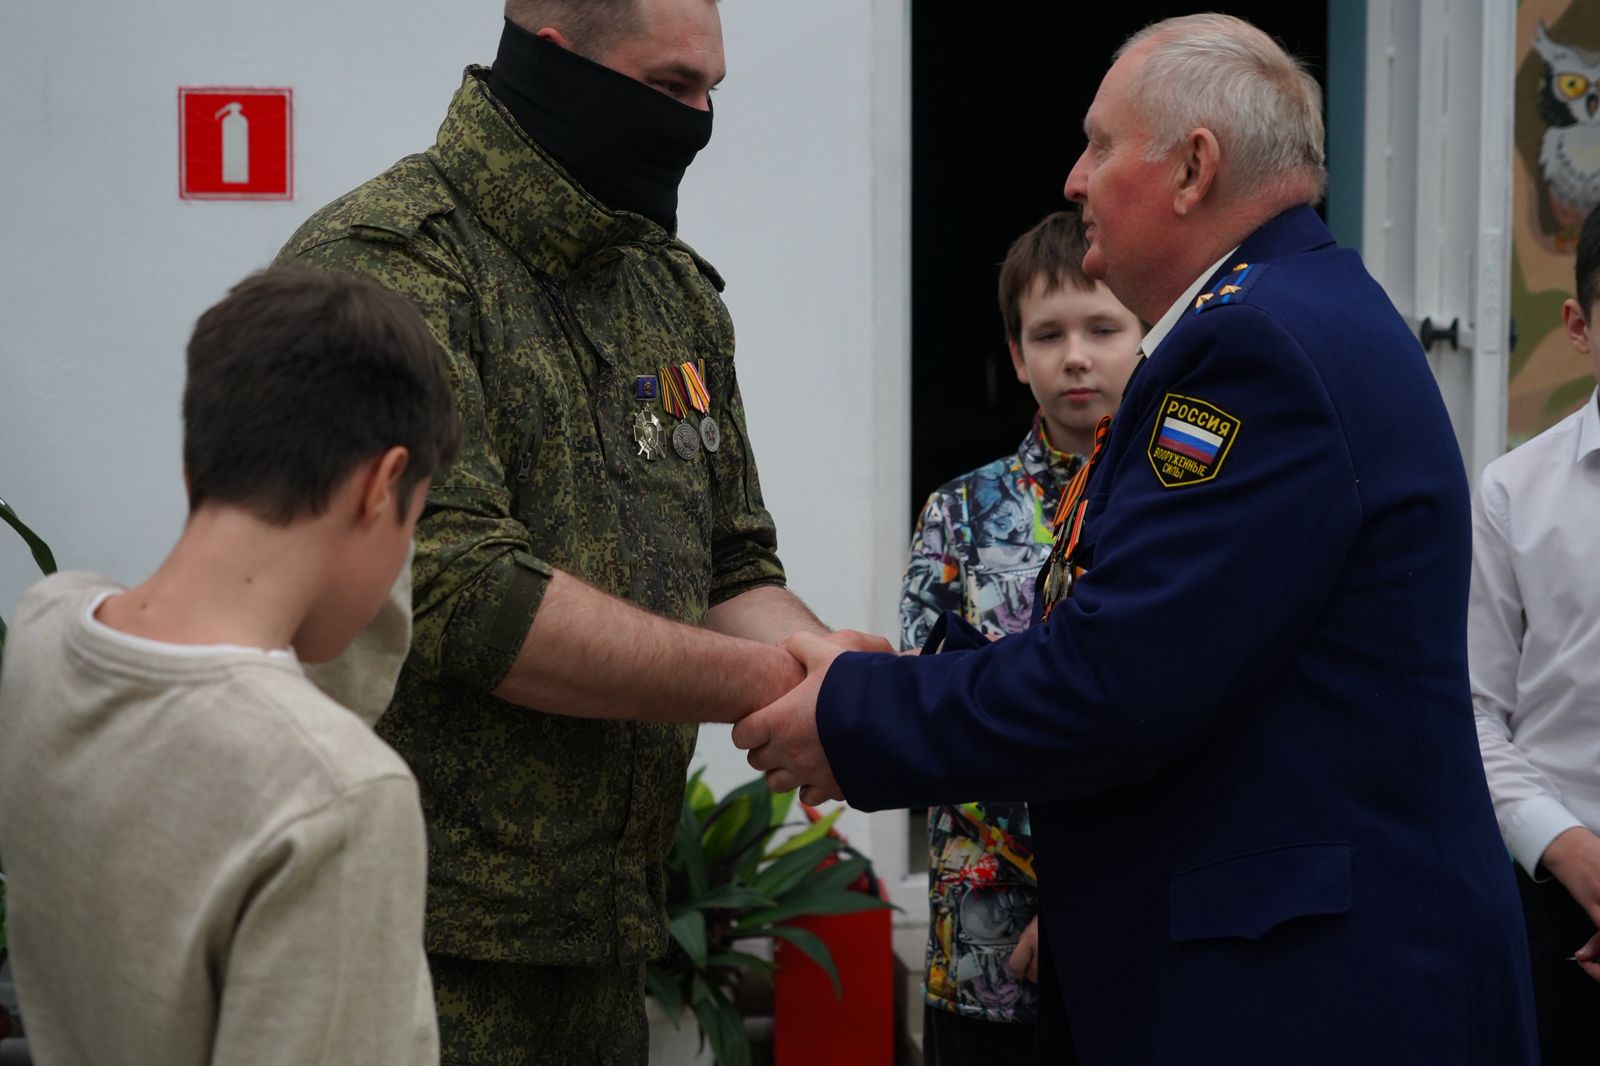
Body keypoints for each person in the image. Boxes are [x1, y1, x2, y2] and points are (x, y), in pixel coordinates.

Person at [734, 14, 1538, 1064]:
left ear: (1193, 167)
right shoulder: (1294, 311)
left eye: (1099, 143)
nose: (1072, 177)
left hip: (1309, 999)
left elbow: (1118, 677)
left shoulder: (1252, 345)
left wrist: (852, 712)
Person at [276, 1, 881, 1061]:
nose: (697, 120)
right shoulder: (386, 270)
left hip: (601, 944)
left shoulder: (666, 288)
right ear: (555, 62)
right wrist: (782, 692)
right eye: (669, 88)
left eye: (712, 92)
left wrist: (825, 665)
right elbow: (464, 598)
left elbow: (732, 559)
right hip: (414, 950)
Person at [0, 266, 461, 1066]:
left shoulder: (44, 634)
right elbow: (296, 735)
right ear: (383, 484)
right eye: (411, 522)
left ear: (198, 461)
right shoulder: (338, 797)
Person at [900, 209, 1141, 1064]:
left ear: (1150, 334)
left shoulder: (1184, 504)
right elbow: (936, 712)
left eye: (1103, 327)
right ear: (1017, 357)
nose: (1076, 356)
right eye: (1048, 334)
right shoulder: (961, 514)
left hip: (1140, 929)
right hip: (985, 943)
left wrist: (1086, 898)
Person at [1471, 201, 1600, 1063]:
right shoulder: (1513, 492)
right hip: (1558, 890)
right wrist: (1576, 856)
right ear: (1580, 325)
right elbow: (1473, 711)